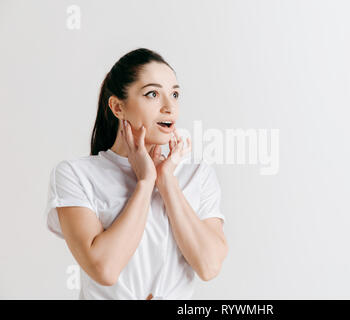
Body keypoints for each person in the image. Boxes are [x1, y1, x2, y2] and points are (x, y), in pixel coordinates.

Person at [44, 48, 228, 299]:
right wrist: (145, 182)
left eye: (174, 94)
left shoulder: (197, 173)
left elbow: (209, 266)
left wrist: (167, 182)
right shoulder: (75, 175)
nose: (169, 107)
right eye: (153, 94)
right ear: (118, 107)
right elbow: (104, 269)